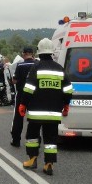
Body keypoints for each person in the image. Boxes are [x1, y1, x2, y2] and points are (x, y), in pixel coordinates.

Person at [19, 38, 73, 176]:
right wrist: (66, 104)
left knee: (32, 136)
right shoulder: (59, 69)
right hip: (54, 113)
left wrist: (23, 104)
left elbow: (29, 88)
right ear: (51, 52)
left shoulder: (35, 67)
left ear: (39, 51)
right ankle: (49, 164)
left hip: (36, 112)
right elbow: (68, 89)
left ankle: (32, 160)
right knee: (51, 140)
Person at [9, 46, 36, 147]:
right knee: (34, 118)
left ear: (24, 54)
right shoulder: (37, 64)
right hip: (34, 95)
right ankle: (34, 140)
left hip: (22, 94)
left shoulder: (20, 65)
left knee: (18, 117)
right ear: (32, 54)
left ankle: (16, 140)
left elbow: (14, 80)